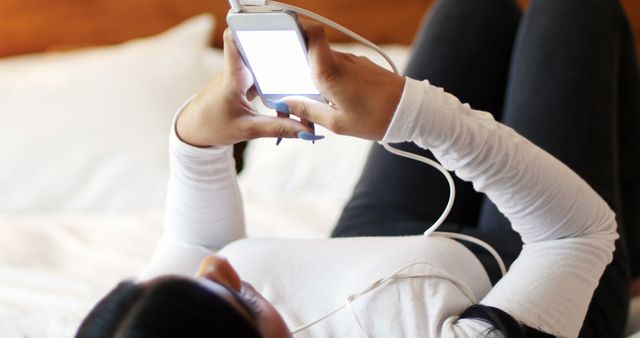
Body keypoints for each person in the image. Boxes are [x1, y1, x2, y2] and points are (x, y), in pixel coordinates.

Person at [75, 0, 640, 337]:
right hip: (524, 271)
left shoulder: (146, 326)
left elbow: (198, 244)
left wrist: (196, 141)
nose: (219, 270)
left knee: (472, 9)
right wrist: (410, 112)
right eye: (242, 299)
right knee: (572, 12)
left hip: (374, 242)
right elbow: (576, 233)